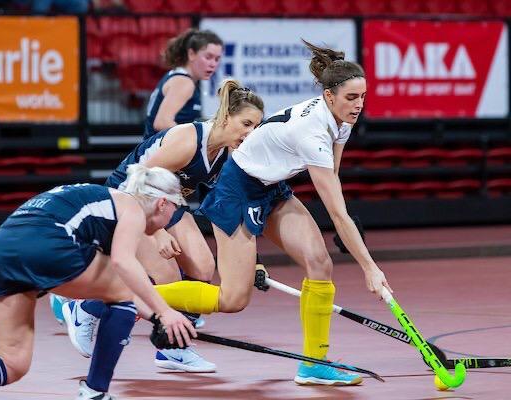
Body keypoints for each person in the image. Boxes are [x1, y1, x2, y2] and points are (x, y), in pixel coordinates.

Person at [150, 41, 393, 386]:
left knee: (320, 262)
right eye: (352, 98)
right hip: (237, 189)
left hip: (273, 187)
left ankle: (312, 364)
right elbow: (335, 212)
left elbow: (332, 182)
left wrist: (345, 219)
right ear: (328, 96)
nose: (359, 105)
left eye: (363, 97)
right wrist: (370, 267)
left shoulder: (342, 119)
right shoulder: (311, 133)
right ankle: (130, 297)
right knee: (233, 299)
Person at [0, 165, 196, 400]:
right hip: (47, 242)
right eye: (176, 209)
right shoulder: (131, 208)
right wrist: (165, 312)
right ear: (162, 203)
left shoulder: (104, 200)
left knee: (13, 364)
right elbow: (124, 266)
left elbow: (122, 294)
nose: (172, 219)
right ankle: (95, 391)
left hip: (4, 248)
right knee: (124, 288)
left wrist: (156, 319)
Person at [60, 78, 264, 373]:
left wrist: (253, 260)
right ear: (225, 116)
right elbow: (136, 182)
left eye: (256, 127)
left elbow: (231, 204)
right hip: (128, 200)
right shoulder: (188, 140)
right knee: (166, 275)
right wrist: (157, 233)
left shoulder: (227, 153)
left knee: (204, 268)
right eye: (246, 124)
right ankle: (85, 308)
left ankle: (171, 350)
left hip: (166, 205)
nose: (251, 133)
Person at [143, 28, 223, 139]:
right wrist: (198, 140)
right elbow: (162, 123)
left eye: (217, 59)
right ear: (191, 54)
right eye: (208, 57)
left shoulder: (181, 78)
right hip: (156, 152)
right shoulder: (184, 82)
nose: (213, 64)